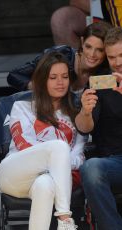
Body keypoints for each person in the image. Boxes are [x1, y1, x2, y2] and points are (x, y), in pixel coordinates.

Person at [0, 51, 86, 230]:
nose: (60, 82)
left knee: (45, 185)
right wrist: (57, 162)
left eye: (64, 77)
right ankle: (65, 219)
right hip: (14, 173)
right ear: (41, 80)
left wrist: (58, 165)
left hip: (48, 180)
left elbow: (79, 157)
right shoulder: (22, 108)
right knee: (59, 147)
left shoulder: (77, 116)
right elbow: (23, 145)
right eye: (53, 77)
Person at [75, 27, 122, 230]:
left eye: (121, 55)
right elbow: (84, 129)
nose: (117, 62)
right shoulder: (100, 82)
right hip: (115, 160)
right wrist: (85, 111)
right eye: (112, 57)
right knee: (91, 168)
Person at [7, 21, 112, 108]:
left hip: (82, 123)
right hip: (47, 116)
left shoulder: (106, 72)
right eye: (88, 47)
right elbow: (14, 75)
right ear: (82, 41)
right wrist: (38, 86)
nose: (92, 54)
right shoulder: (61, 54)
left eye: (100, 50)